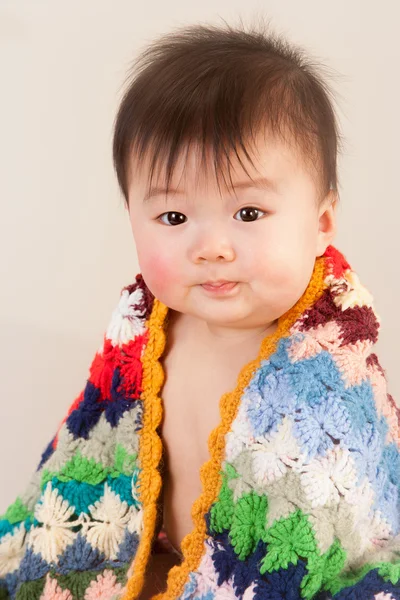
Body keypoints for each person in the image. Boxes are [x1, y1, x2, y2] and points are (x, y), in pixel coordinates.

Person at [1, 16, 399, 600]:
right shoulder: (140, 342)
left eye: (248, 214)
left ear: (321, 223)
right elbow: (89, 461)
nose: (211, 247)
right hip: (165, 566)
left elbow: (343, 528)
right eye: (173, 218)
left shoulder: (329, 382)